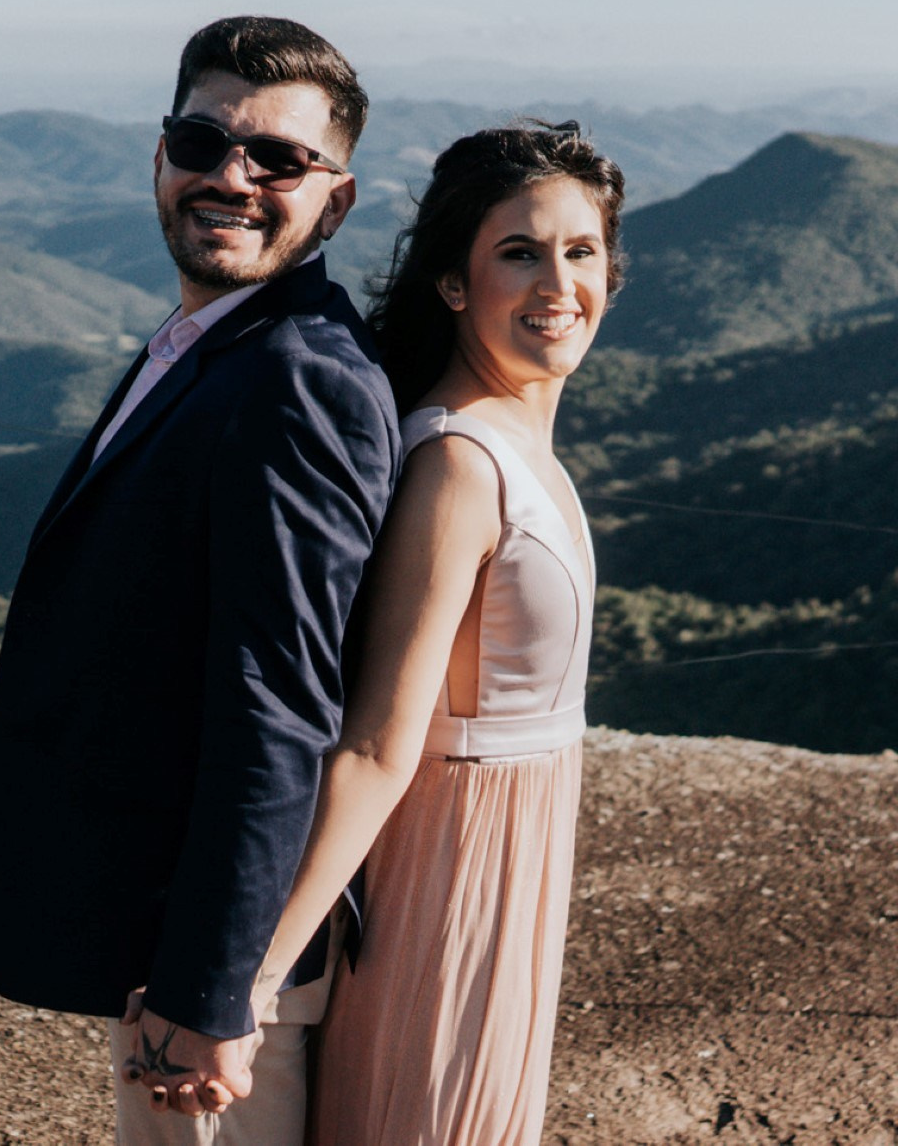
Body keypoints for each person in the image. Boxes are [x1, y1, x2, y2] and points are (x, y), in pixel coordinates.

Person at [0, 17, 400, 1146]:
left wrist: (214, 990)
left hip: (211, 959)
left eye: (279, 160)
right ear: (158, 157)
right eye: (202, 140)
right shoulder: (214, 339)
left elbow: (282, 707)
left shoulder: (299, 378)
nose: (232, 177)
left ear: (336, 202)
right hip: (169, 935)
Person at [243, 121, 625, 1146]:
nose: (557, 280)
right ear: (452, 284)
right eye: (518, 251)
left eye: (579, 250)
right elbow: (375, 741)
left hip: (516, 867)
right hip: (449, 874)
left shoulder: (515, 442)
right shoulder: (458, 462)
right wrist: (253, 978)